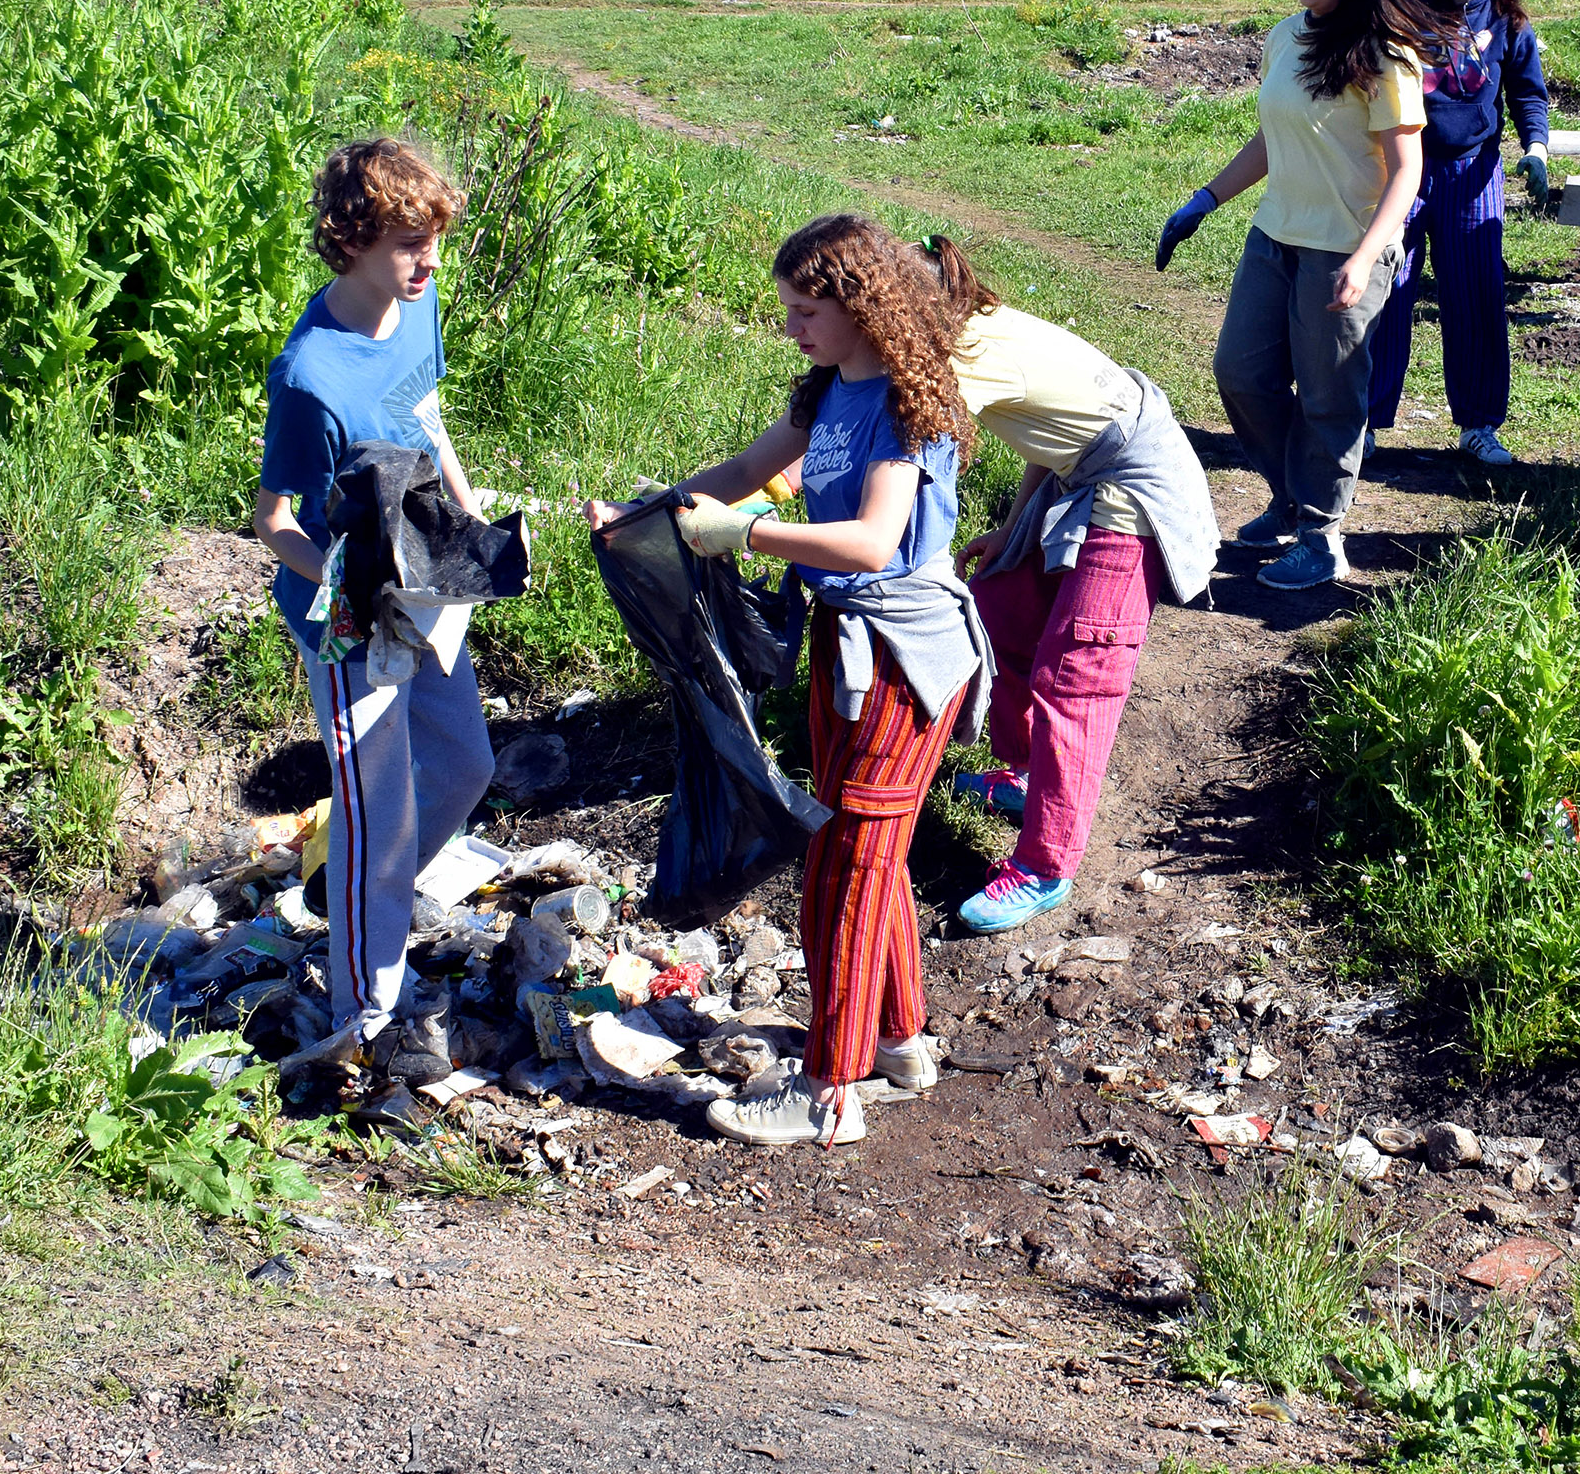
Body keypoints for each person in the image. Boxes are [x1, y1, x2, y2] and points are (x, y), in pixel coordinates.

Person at [585, 214, 986, 1149]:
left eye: (809, 311)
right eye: (790, 311)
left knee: (844, 865)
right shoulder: (828, 392)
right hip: (844, 647)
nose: (794, 328)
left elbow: (872, 542)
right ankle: (898, 1038)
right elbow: (740, 471)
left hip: (902, 660)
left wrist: (747, 535)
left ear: (863, 308)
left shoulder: (901, 407)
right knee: (861, 856)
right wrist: (651, 513)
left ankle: (828, 1090)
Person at [253, 139, 497, 1094]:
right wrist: (354, 590)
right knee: (377, 811)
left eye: (433, 241)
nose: (428, 263)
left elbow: (424, 408)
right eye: (407, 243)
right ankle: (365, 1013)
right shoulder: (310, 376)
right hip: (352, 620)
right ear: (350, 241)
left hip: (428, 585)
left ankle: (353, 896)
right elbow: (274, 523)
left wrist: (466, 522)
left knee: (467, 763)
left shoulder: (417, 306)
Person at [920, 236, 1220, 934]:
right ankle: (1028, 779)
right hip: (1081, 476)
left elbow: (914, 457)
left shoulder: (968, 356)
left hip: (1134, 494)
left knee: (1075, 677)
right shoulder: (972, 328)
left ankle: (1045, 864)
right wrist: (1016, 526)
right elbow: (1051, 436)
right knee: (1001, 607)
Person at [1156, 0, 1441, 589]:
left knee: (1328, 396)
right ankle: (1290, 497)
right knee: (1241, 373)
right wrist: (1205, 199)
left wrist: (1366, 256)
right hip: (1275, 236)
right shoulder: (1286, 36)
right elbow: (1271, 139)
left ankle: (1321, 535)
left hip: (1344, 248)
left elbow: (1409, 170)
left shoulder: (1386, 54)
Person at [1364, 0, 1551, 468]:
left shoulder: (1509, 20)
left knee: (1475, 295)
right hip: (1403, 169)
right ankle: (1366, 420)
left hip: (1474, 173)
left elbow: (1528, 93)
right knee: (1387, 292)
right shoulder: (1401, 9)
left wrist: (1536, 148)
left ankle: (1478, 424)